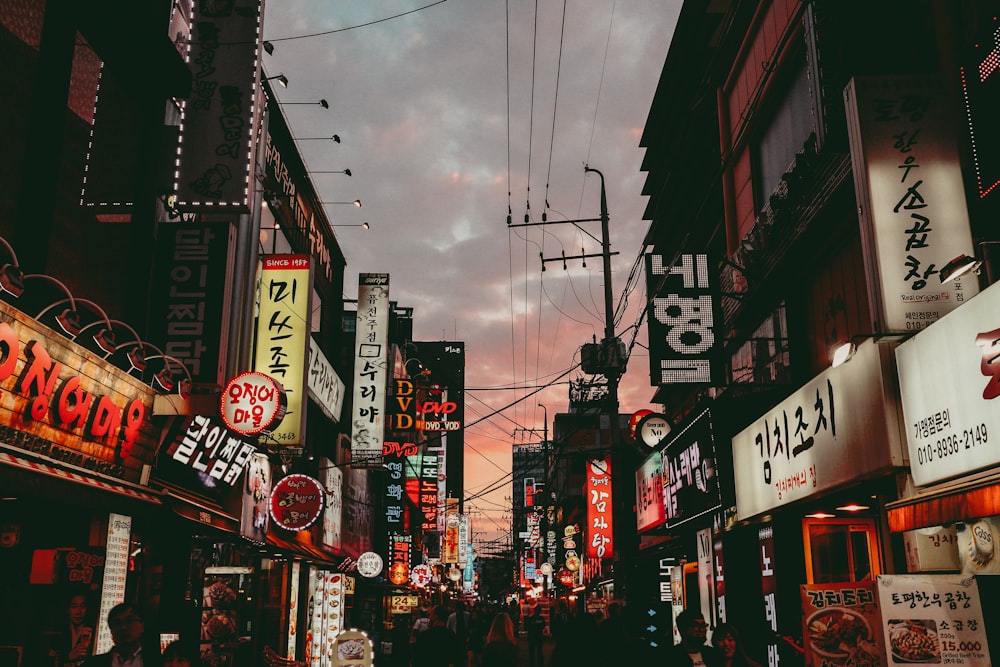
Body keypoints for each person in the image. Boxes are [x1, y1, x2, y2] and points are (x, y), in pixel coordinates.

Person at [81, 603, 162, 667]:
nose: (123, 627)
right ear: (111, 631)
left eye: (129, 621)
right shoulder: (93, 664)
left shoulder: (159, 661)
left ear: (142, 626)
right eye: (117, 623)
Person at [50, 592, 95, 667]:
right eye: (74, 607)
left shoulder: (93, 631)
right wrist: (68, 656)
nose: (78, 612)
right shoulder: (58, 632)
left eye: (83, 606)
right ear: (67, 609)